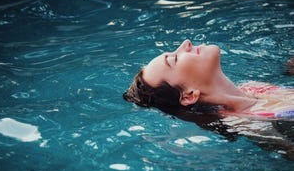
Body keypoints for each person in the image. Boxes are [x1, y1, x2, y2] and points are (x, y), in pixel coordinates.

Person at [123, 39, 294, 119]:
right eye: (174, 59)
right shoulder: (252, 121)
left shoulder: (253, 87)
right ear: (189, 96)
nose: (186, 43)